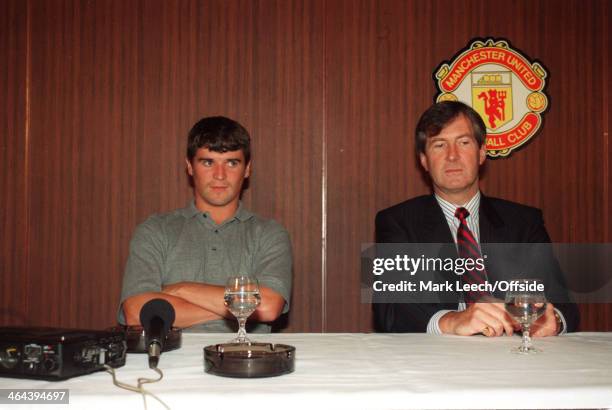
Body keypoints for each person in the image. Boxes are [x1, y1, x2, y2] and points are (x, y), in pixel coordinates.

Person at [373, 101, 578, 336]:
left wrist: (555, 321)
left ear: (481, 153)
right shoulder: (398, 222)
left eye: (464, 142)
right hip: (438, 361)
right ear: (424, 160)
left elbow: (564, 305)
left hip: (514, 356)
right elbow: (389, 311)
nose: (452, 156)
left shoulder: (524, 222)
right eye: (439, 145)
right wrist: (453, 321)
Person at [118, 116, 292, 333]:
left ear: (247, 169)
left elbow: (268, 307)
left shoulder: (269, 234)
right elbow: (135, 312)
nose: (220, 175)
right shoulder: (155, 230)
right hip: (170, 361)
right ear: (190, 166)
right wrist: (243, 307)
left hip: (245, 361)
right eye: (208, 162)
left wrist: (181, 289)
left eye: (231, 162)